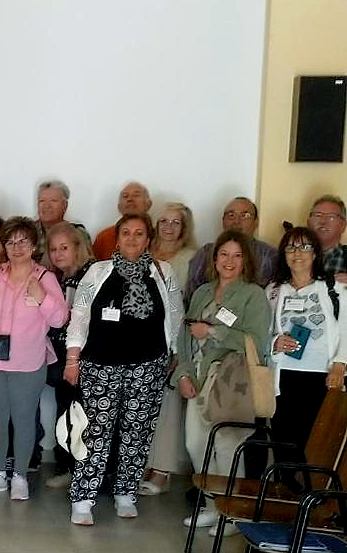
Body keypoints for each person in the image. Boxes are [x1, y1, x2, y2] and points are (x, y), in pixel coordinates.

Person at [65, 212, 182, 526]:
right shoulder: (98, 272)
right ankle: (83, 498)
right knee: (96, 434)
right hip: (100, 366)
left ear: (148, 239)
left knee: (136, 433)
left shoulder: (163, 272)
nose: (132, 239)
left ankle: (125, 493)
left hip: (147, 366)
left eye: (139, 233)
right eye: (126, 233)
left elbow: (175, 314)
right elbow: (79, 316)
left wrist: (173, 352)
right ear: (117, 239)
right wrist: (72, 359)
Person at [174, 230, 271, 535]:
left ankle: (232, 513)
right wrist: (184, 374)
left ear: (246, 261)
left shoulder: (252, 295)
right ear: (214, 259)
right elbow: (185, 335)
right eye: (224, 255)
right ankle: (212, 505)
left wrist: (214, 332)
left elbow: (257, 341)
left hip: (231, 383)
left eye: (237, 255)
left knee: (228, 445)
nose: (230, 261)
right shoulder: (202, 292)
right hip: (199, 379)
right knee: (195, 443)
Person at [0, 217, 69, 500]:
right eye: (10, 241)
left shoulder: (44, 278)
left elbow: (60, 319)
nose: (16, 247)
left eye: (22, 241)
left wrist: (41, 298)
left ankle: (21, 477)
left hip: (28, 362)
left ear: (34, 244)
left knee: (24, 420)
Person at [266, 227, 347, 485]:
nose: (297, 254)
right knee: (284, 441)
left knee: (317, 441)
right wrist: (275, 341)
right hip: (283, 378)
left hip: (322, 377)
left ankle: (314, 502)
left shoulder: (333, 288)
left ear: (315, 253)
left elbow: (345, 327)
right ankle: (286, 500)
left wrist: (340, 364)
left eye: (304, 247)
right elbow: (261, 332)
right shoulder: (274, 291)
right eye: (291, 248)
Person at [139, 202, 197, 495]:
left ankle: (161, 470)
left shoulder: (191, 258)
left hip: (173, 339)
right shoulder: (144, 254)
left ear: (184, 227)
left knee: (169, 406)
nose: (169, 227)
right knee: (143, 406)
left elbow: (192, 302)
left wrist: (179, 348)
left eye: (176, 222)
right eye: (164, 221)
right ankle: (141, 464)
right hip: (142, 339)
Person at [43, 221, 95, 490]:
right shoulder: (60, 277)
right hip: (62, 356)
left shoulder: (91, 276)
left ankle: (79, 470)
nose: (58, 254)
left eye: (64, 248)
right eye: (53, 249)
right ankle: (69, 467)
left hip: (81, 358)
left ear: (78, 248)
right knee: (66, 411)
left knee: (79, 414)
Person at [185, 197, 277, 299]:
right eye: (231, 215)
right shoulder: (205, 253)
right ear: (223, 221)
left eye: (244, 215)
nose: (236, 221)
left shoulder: (270, 256)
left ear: (256, 222)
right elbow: (192, 295)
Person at [92, 182, 152, 261]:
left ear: (148, 204)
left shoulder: (158, 237)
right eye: (125, 196)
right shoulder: (104, 238)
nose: (130, 199)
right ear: (119, 207)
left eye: (136, 195)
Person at [34, 180, 87, 264]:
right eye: (42, 201)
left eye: (53, 201)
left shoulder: (77, 232)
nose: (47, 206)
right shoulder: (27, 232)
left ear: (65, 206)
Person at [307, 195, 347, 281]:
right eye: (318, 215)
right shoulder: (293, 256)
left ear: (343, 225)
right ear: (308, 222)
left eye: (331, 217)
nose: (323, 221)